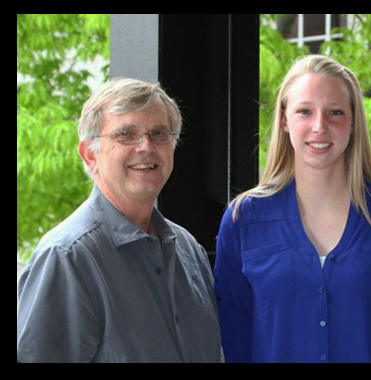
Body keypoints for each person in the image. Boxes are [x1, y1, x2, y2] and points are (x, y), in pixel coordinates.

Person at [214, 55, 371, 363]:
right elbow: (235, 341)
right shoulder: (243, 220)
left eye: (335, 112)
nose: (320, 126)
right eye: (305, 111)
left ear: (354, 120)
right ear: (284, 119)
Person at [17, 78, 223, 363]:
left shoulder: (188, 249)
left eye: (159, 133)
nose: (146, 146)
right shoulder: (67, 257)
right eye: (126, 134)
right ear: (90, 155)